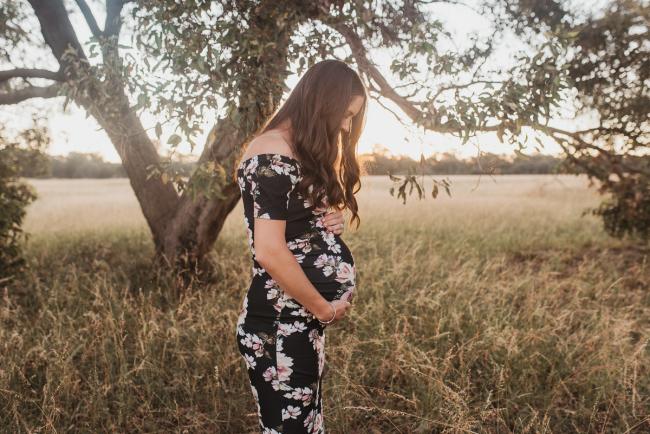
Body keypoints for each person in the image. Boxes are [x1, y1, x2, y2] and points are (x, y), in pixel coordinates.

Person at [233, 59, 367, 433]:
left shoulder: (294, 151)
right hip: (279, 324)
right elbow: (269, 251)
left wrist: (328, 222)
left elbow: (293, 227)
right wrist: (324, 309)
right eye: (345, 114)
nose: (345, 125)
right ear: (322, 101)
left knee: (305, 426)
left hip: (297, 320)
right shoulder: (272, 154)